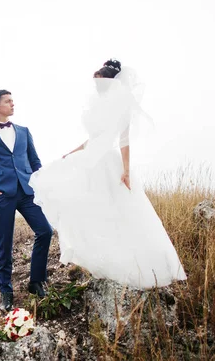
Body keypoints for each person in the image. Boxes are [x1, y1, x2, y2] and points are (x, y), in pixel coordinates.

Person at [29, 60, 187, 288]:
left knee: (116, 213)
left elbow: (124, 140)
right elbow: (94, 138)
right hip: (89, 160)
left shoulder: (121, 105)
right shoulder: (97, 104)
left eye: (100, 82)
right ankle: (100, 262)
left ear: (110, 83)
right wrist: (71, 153)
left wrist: (125, 170)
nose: (96, 86)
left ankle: (133, 267)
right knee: (90, 209)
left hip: (106, 165)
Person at [0, 89, 53, 311]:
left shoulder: (25, 131)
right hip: (2, 195)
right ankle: (5, 291)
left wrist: (42, 184)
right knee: (4, 243)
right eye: (8, 101)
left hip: (27, 192)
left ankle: (36, 281)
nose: (12, 104)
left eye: (13, 101)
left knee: (45, 231)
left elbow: (35, 161)